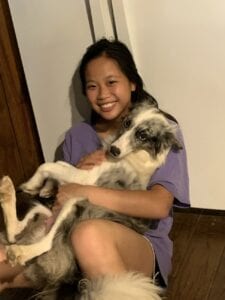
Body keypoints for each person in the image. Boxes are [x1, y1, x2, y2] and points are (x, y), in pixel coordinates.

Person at [0, 38, 189, 293]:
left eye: (112, 82)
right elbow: (60, 205)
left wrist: (83, 190)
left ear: (132, 82)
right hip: (64, 243)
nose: (102, 95)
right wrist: (74, 176)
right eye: (92, 86)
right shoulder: (76, 137)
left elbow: (158, 205)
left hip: (134, 243)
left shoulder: (159, 130)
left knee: (87, 234)